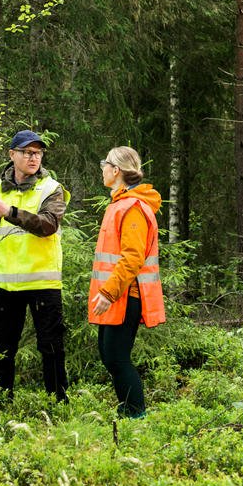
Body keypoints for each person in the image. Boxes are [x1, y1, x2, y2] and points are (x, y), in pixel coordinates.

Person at [0, 129, 69, 403]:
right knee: (2, 349)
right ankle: (2, 404)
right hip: (4, 284)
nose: (34, 158)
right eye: (28, 152)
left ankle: (57, 404)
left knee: (51, 347)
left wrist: (9, 213)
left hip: (43, 283)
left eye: (38, 153)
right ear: (12, 155)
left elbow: (47, 226)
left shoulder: (51, 188)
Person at [88, 146, 165, 418]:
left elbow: (132, 258)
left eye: (105, 164)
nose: (103, 169)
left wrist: (108, 293)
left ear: (116, 170)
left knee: (117, 357)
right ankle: (128, 409)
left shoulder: (132, 207)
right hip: (116, 295)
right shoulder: (120, 204)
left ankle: (135, 412)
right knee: (110, 356)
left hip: (126, 295)